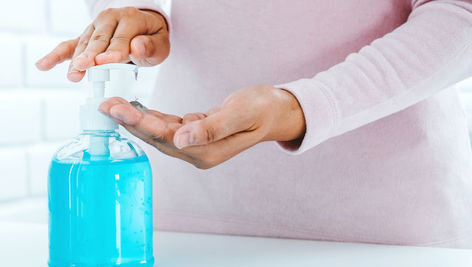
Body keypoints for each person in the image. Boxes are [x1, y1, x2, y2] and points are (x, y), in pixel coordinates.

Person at [36, 0, 472, 248]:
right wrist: (134, 8)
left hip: (382, 233)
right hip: (184, 219)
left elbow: (461, 14)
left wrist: (306, 106)